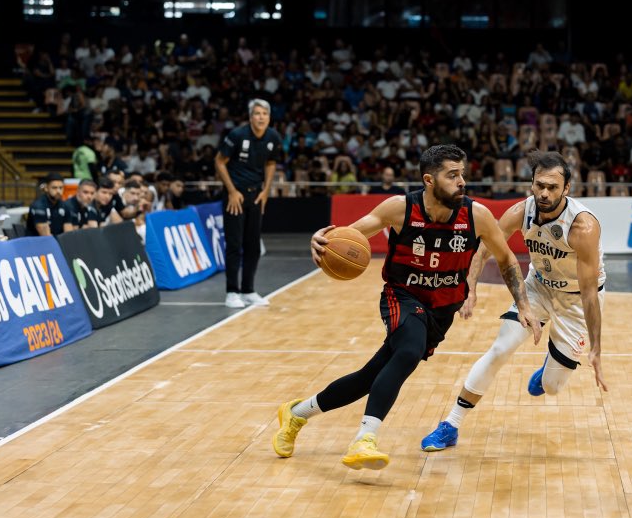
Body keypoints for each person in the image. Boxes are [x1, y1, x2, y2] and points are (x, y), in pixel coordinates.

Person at [272, 144, 542, 471]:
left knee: (369, 378)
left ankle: (297, 413)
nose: (461, 182)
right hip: (402, 296)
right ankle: (364, 439)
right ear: (429, 180)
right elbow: (349, 235)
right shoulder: (400, 208)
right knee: (409, 350)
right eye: (452, 175)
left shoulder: (476, 215)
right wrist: (322, 239)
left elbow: (507, 259)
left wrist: (523, 304)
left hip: (442, 309)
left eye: (462, 174)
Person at [420, 151, 606, 451]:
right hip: (537, 288)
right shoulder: (521, 211)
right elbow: (484, 249)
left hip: (575, 301)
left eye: (553, 187)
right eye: (539, 185)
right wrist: (472, 286)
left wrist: (596, 348)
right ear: (532, 183)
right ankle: (451, 424)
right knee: (500, 349)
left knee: (551, 387)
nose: (544, 193)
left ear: (567, 189)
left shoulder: (583, 227)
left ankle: (549, 368)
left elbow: (588, 293)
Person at [215, 98, 282, 309]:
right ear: (250, 116)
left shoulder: (273, 136)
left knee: (253, 245)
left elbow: (271, 162)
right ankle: (231, 292)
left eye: (265, 114)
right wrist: (232, 191)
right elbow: (219, 161)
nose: (261, 117)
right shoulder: (237, 135)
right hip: (235, 196)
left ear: (269, 117)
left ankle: (248, 290)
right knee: (234, 244)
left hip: (256, 195)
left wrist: (266, 190)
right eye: (257, 113)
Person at [25, 172, 67, 236]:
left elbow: (69, 234)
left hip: (57, 241)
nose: (58, 191)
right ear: (46, 188)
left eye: (61, 188)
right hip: (37, 243)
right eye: (54, 188)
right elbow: (46, 236)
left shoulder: (64, 205)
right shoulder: (38, 206)